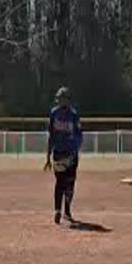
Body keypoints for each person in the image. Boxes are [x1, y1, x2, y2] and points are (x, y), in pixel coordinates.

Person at [44, 87, 83, 226]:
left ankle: (67, 210)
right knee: (60, 182)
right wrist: (47, 157)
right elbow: (51, 136)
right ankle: (57, 210)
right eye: (59, 99)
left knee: (70, 184)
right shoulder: (54, 113)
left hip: (71, 154)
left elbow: (79, 136)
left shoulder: (74, 115)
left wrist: (74, 151)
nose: (60, 101)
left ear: (67, 100)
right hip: (59, 154)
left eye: (62, 98)